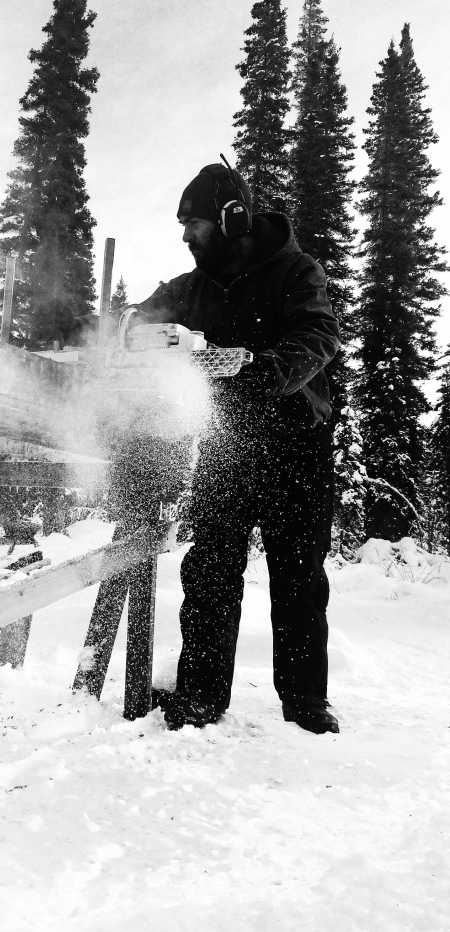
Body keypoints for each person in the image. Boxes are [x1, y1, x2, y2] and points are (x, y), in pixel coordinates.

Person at [133, 159, 341, 734]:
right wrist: (135, 329)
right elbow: (142, 317)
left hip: (297, 445)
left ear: (231, 219)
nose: (185, 236)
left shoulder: (298, 272)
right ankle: (200, 696)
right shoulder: (192, 288)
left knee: (298, 578)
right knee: (210, 572)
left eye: (193, 223)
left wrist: (270, 371)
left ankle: (305, 704)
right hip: (228, 446)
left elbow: (319, 334)